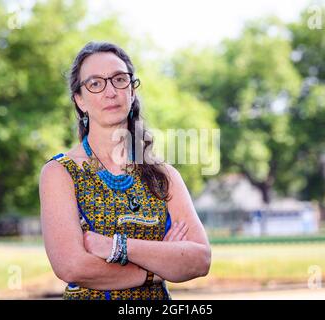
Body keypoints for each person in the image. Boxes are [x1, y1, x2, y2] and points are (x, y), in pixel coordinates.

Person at [39, 41, 211, 300]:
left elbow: (200, 259)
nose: (110, 92)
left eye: (120, 79)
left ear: (131, 91)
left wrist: (116, 247)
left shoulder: (163, 176)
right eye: (95, 84)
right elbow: (72, 266)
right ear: (79, 100)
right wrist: (158, 266)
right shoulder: (60, 172)